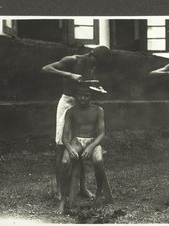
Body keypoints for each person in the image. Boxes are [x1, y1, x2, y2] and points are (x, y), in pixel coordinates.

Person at [41, 46, 111, 201]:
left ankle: (83, 188)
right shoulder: (72, 60)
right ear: (91, 54)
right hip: (67, 103)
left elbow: (85, 86)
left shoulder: (92, 66)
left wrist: (95, 87)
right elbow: (45, 69)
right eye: (95, 63)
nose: (95, 67)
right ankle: (60, 190)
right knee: (61, 147)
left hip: (82, 105)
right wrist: (69, 74)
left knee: (81, 144)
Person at [57, 84, 107, 214]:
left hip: (93, 141)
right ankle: (63, 198)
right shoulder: (71, 111)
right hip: (76, 141)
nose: (83, 98)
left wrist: (91, 146)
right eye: (80, 95)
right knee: (64, 162)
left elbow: (101, 134)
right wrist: (69, 148)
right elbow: (65, 136)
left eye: (86, 95)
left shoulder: (98, 110)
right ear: (75, 96)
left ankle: (99, 193)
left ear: (91, 96)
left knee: (98, 160)